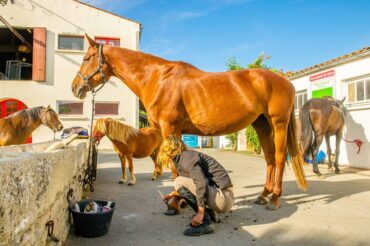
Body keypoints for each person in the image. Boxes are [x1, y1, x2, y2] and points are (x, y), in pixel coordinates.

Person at [161, 136, 234, 236]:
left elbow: (201, 183)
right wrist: (172, 194)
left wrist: (200, 214)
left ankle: (206, 222)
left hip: (223, 198)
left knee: (178, 181)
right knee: (181, 182)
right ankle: (210, 214)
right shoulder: (186, 156)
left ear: (168, 150)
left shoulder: (186, 158)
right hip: (223, 196)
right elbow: (191, 186)